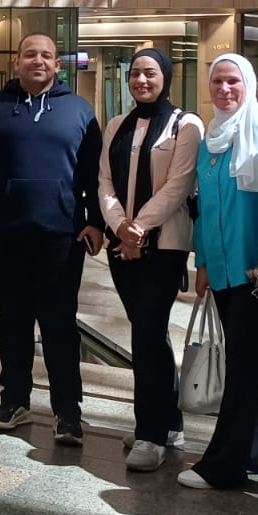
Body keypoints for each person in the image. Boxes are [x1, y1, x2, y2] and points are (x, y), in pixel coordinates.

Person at [0, 32, 104, 446]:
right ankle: (14, 401)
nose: (37, 61)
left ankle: (68, 413)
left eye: (46, 55)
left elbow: (95, 173)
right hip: (5, 236)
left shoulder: (79, 111)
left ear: (57, 65)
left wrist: (97, 221)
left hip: (61, 237)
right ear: (17, 61)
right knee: (12, 323)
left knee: (60, 326)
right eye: (29, 55)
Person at [178, 54, 258, 489]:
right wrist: (203, 263)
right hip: (225, 271)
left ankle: (224, 465)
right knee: (249, 362)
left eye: (233, 81)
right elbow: (205, 208)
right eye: (217, 82)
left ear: (249, 84)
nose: (225, 89)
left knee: (243, 366)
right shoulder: (212, 138)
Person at [97, 49, 203, 471]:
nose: (141, 80)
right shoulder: (116, 125)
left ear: (167, 77)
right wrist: (121, 227)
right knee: (149, 335)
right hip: (122, 246)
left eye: (151, 73)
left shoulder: (186, 124)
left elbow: (179, 185)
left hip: (165, 245)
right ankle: (168, 423)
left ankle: (150, 434)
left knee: (147, 335)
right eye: (136, 73)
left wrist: (139, 227)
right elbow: (105, 182)